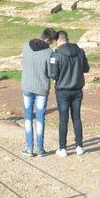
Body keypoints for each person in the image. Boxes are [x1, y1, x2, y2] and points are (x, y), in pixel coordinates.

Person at [50, 30, 90, 157]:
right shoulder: (80, 51)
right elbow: (86, 68)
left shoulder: (56, 55)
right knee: (76, 117)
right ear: (67, 38)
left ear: (58, 40)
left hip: (63, 91)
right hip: (77, 90)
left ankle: (62, 148)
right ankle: (79, 146)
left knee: (63, 119)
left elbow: (53, 75)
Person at [20, 28, 56, 157]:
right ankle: (40, 149)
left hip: (27, 86)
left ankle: (29, 148)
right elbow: (51, 72)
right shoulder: (49, 52)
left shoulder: (25, 46)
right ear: (48, 39)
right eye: (51, 41)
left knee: (28, 118)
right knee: (40, 118)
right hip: (41, 88)